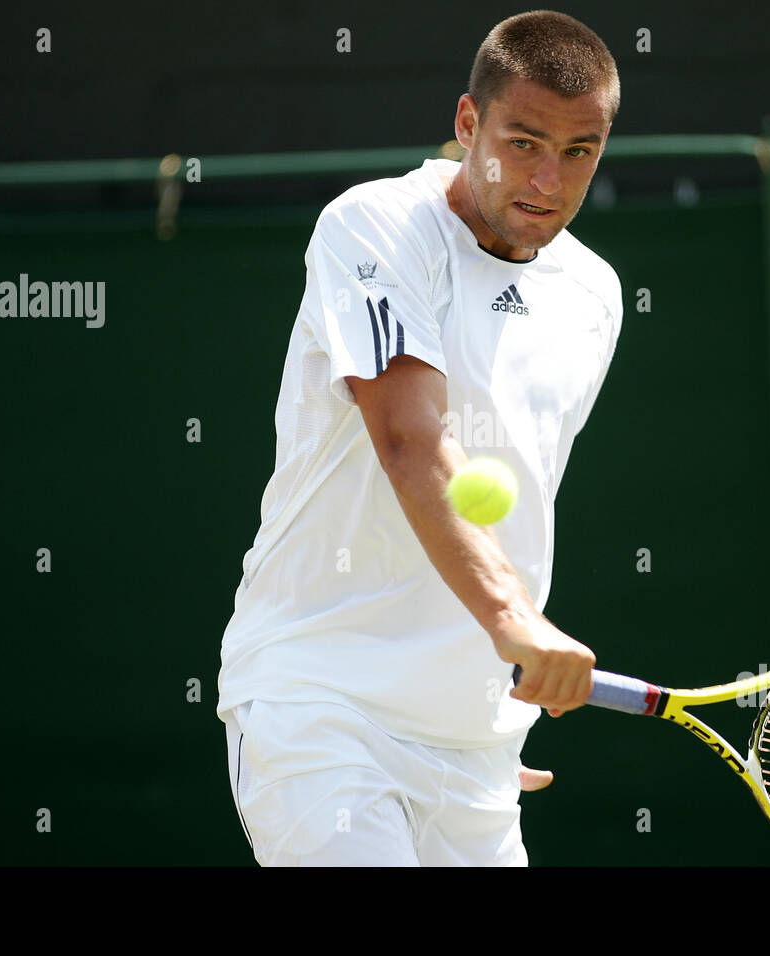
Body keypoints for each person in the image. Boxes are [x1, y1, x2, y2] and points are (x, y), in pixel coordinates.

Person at [217, 9, 622, 866]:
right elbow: (410, 438)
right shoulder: (372, 228)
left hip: (473, 754)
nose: (548, 180)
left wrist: (475, 723)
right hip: (323, 708)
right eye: (523, 142)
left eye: (579, 151)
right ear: (468, 124)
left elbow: (523, 496)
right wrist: (515, 620)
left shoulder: (594, 295)